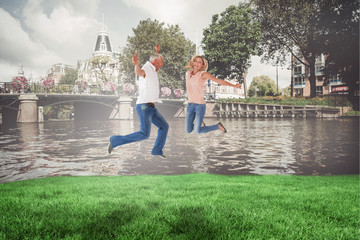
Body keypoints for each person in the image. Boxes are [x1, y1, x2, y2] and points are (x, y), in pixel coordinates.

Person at [107, 45, 169, 158]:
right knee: (144, 134)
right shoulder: (146, 68)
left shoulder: (153, 68)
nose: (162, 64)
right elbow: (139, 72)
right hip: (144, 106)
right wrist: (136, 64)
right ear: (155, 62)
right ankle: (115, 140)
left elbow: (154, 60)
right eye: (161, 62)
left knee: (164, 126)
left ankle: (157, 151)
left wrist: (157, 52)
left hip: (151, 107)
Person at [184, 55, 241, 134]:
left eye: (199, 62)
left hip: (199, 105)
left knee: (197, 131)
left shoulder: (203, 74)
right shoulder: (187, 73)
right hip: (190, 105)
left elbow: (218, 81)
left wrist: (234, 85)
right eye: (195, 61)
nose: (196, 63)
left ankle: (217, 126)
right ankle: (200, 122)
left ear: (202, 65)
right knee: (188, 130)